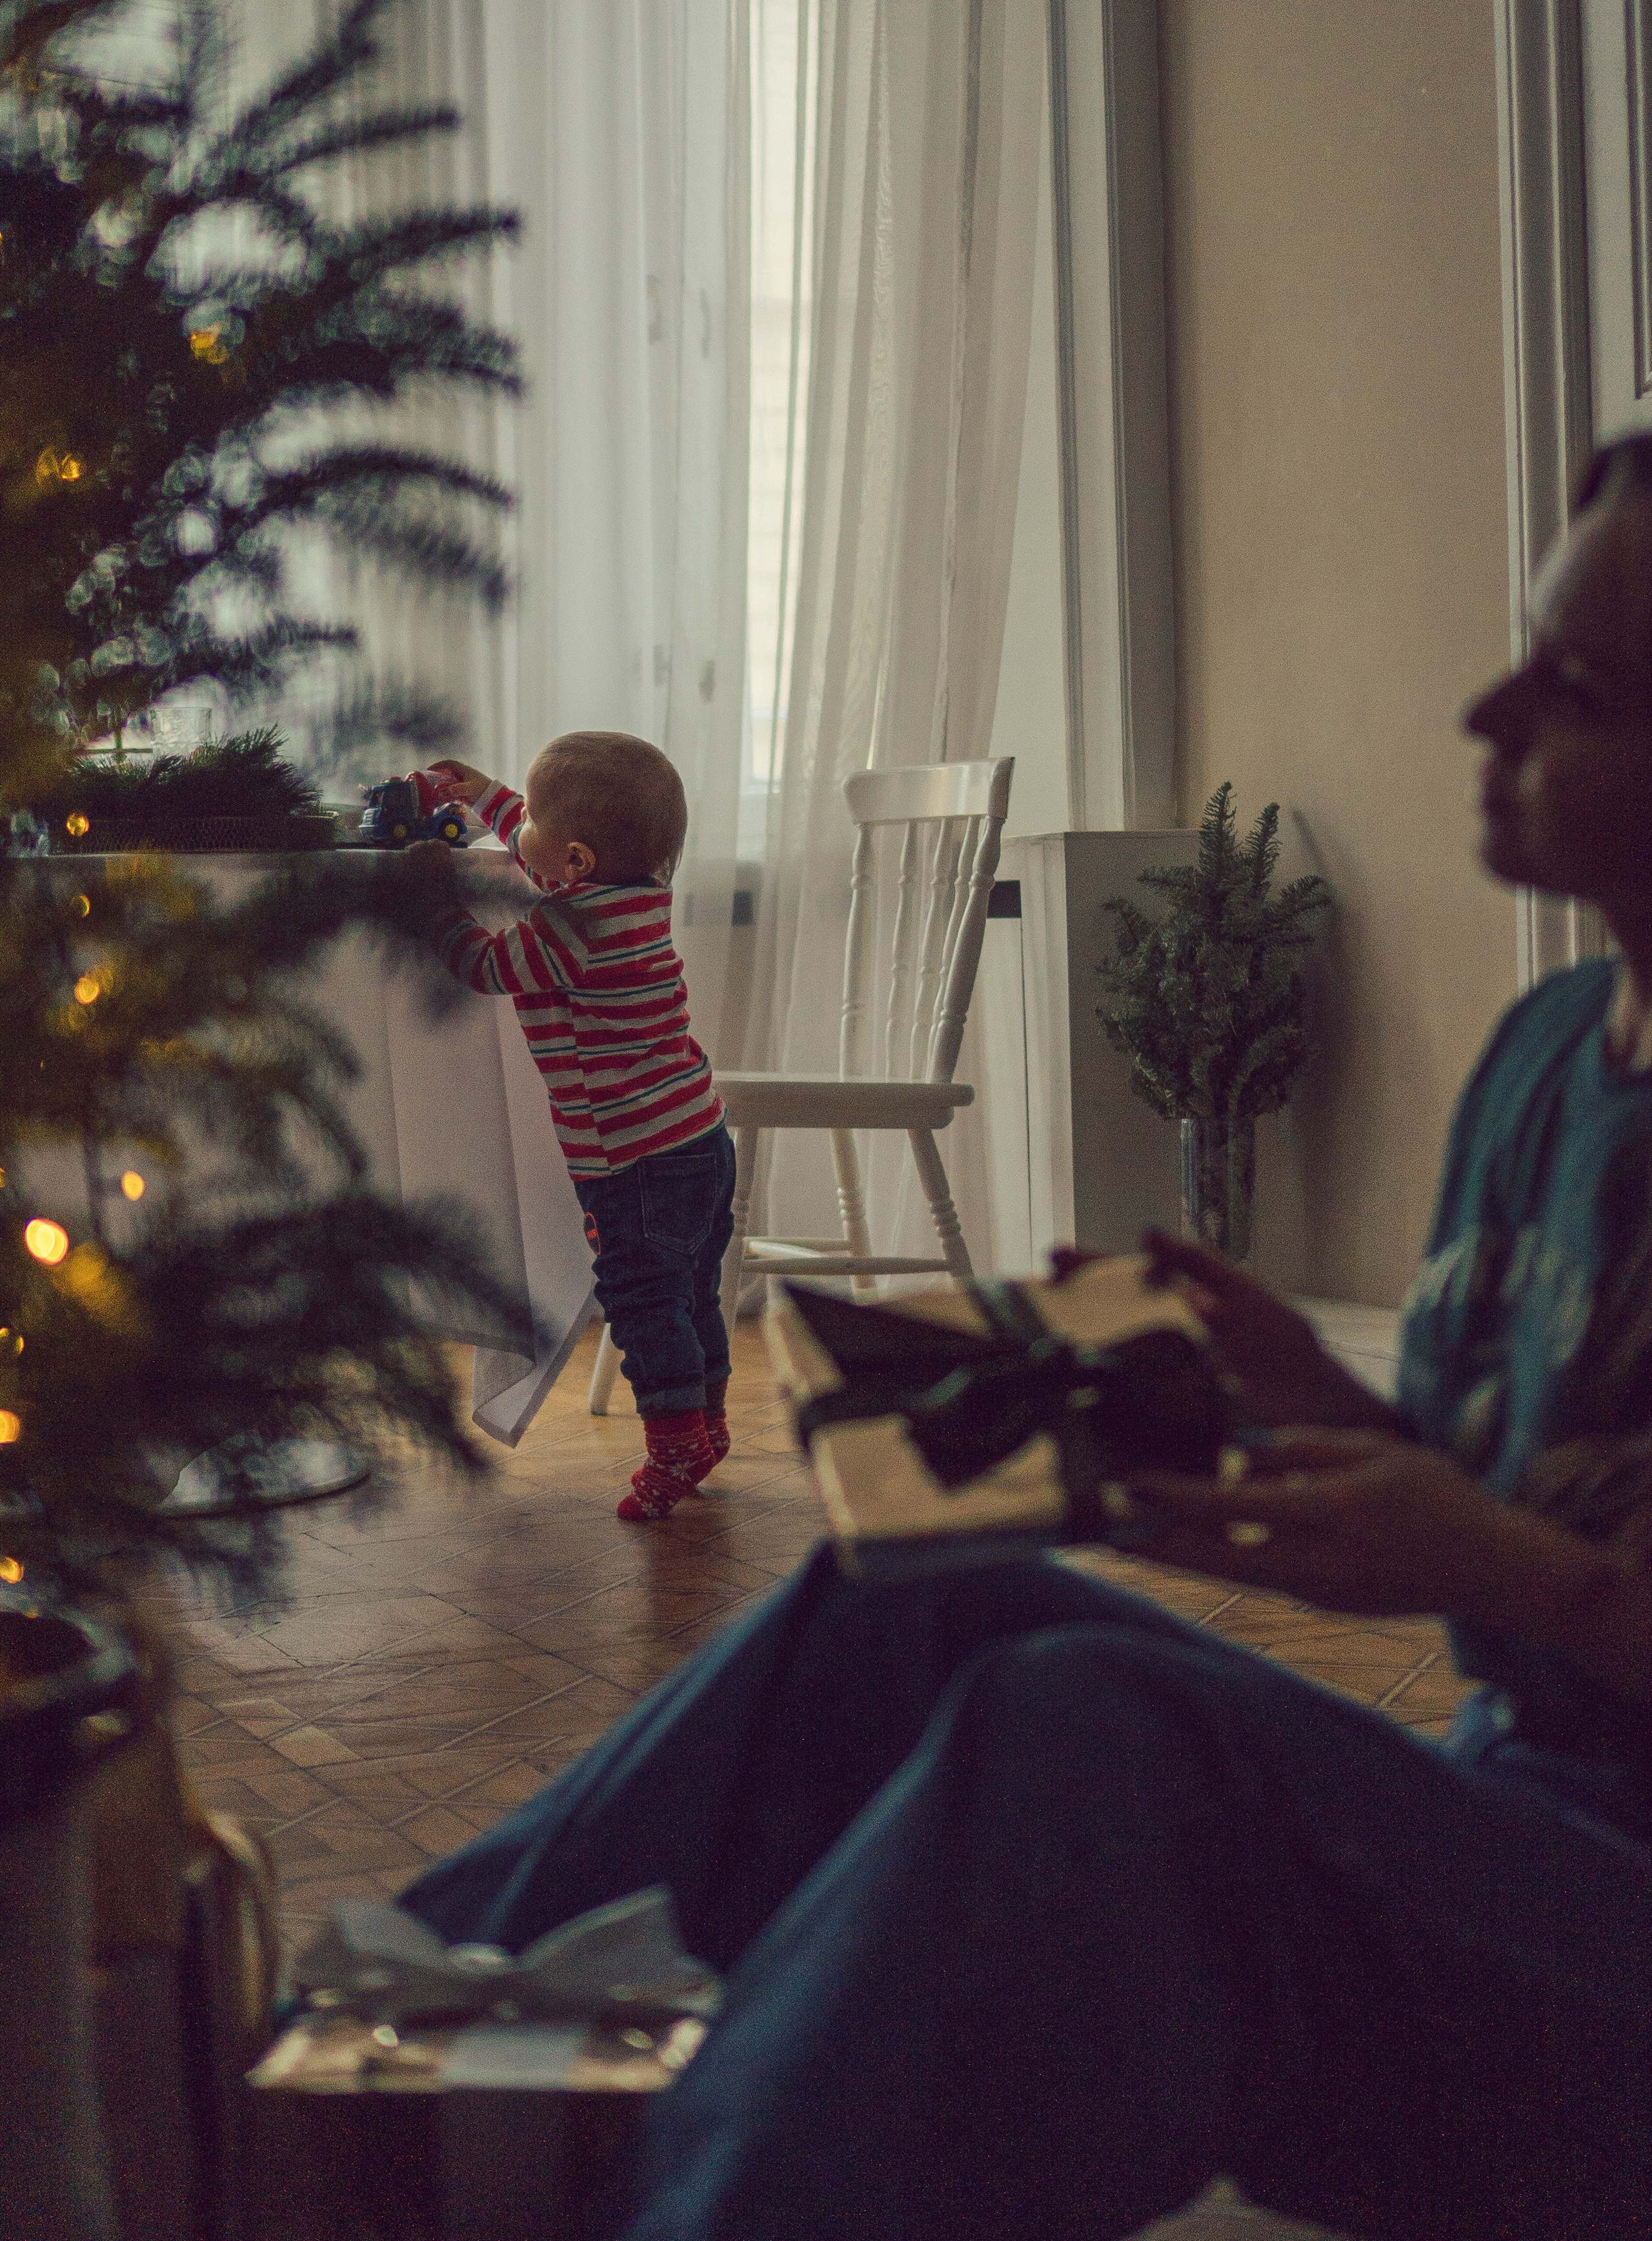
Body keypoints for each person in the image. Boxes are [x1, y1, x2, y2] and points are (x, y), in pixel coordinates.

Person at [401, 445, 1652, 2239]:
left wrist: (1510, 1571)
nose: (1488, 709)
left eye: (1577, 687)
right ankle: (369, 2068)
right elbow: (1549, 1498)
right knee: (910, 1594)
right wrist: (1315, 1397)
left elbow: (1543, 1569)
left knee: (1101, 1729)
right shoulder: (1549, 1056)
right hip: (1502, 1826)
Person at [417, 733, 735, 1520]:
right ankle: (706, 1420)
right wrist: (488, 797)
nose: (519, 830)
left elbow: (486, 966)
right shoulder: (630, 897)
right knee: (692, 1293)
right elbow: (546, 852)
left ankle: (674, 1441)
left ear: (578, 862)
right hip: (698, 1136)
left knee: (642, 1301)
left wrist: (431, 904)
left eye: (528, 821)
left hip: (635, 1160)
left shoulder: (572, 930)